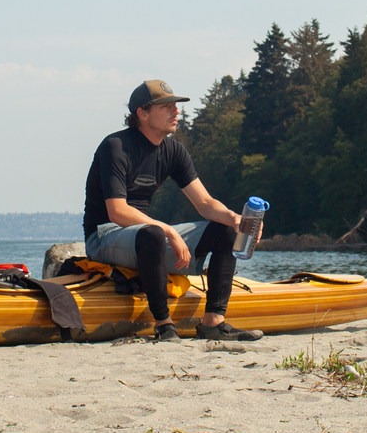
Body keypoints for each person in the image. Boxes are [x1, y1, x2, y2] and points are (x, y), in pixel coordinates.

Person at [81, 79, 264, 342]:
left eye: (175, 106)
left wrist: (237, 220)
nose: (175, 111)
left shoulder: (173, 150)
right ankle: (164, 325)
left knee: (224, 230)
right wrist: (168, 231)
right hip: (104, 236)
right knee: (154, 233)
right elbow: (117, 212)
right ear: (142, 113)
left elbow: (205, 204)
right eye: (166, 106)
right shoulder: (116, 146)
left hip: (144, 235)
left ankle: (214, 322)